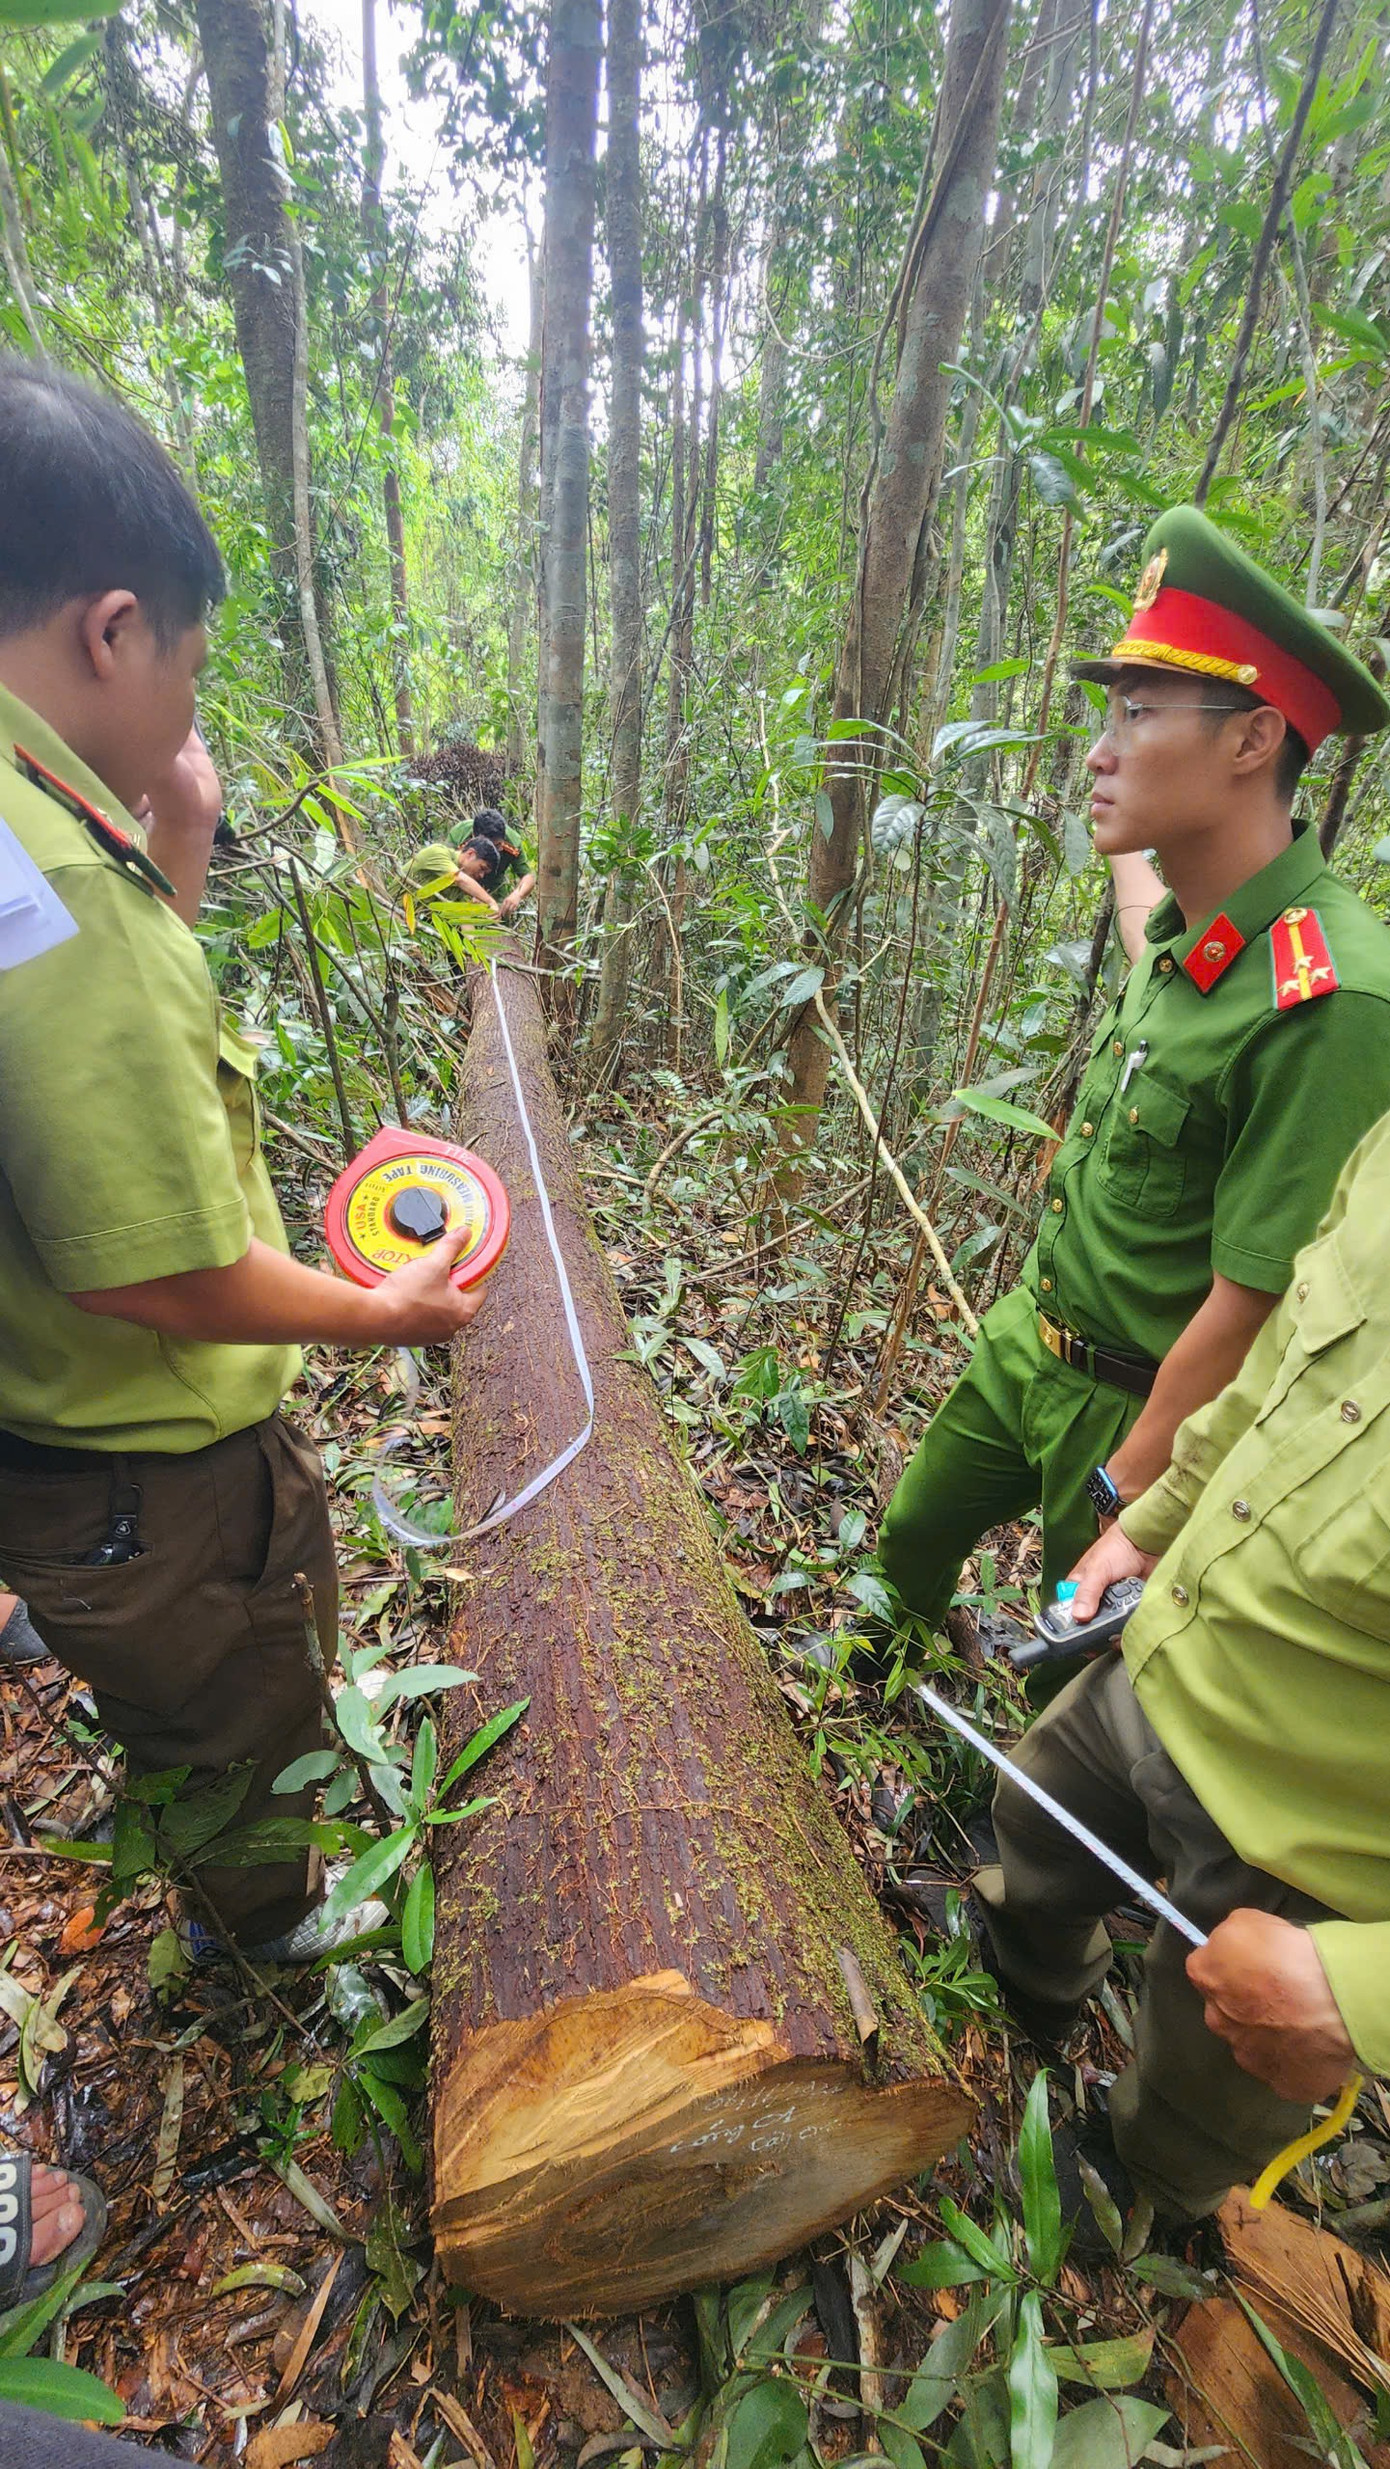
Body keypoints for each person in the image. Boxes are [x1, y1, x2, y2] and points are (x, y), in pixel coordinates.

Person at [0, 356, 483, 1984]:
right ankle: (265, 1946)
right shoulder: (48, 872)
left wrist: (176, 849)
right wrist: (382, 1312)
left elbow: (74, 1080)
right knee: (236, 1716)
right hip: (145, 1482)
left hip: (65, 1462)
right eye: (190, 663)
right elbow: (145, 1259)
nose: (190, 705)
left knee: (210, 1709)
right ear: (112, 630)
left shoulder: (39, 839)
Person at [878, 505, 1390, 1650]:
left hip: (1143, 1406)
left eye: (1138, 714)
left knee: (1069, 1666)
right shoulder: (1192, 929)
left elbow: (1252, 1297)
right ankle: (863, 1702)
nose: (1099, 751)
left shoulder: (1334, 1001)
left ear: (1253, 741)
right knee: (909, 1538)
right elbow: (1148, 921)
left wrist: (1131, 1485)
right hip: (1032, 1341)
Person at [965, 1104, 1390, 2231]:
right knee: (1034, 1826)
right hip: (1157, 1662)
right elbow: (1271, 1387)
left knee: (1206, 2091)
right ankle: (1031, 2001)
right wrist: (1145, 1526)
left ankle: (1143, 2187)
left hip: (1308, 1846)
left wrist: (1363, 1995)